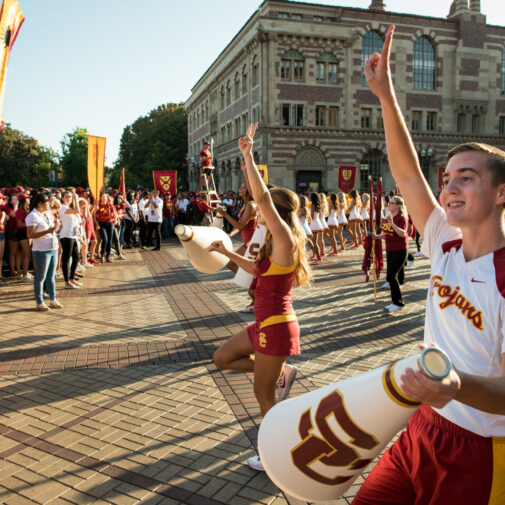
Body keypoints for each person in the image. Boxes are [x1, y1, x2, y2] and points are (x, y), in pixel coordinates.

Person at [352, 25, 505, 505]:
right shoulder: (443, 242)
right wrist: (385, 94)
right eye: (447, 178)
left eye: (467, 177)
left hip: (479, 450)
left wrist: (457, 386)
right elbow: (404, 172)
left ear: (502, 194)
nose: (449, 188)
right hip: (421, 425)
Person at [210, 123, 311, 472]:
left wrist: (249, 155)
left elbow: (262, 198)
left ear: (277, 213)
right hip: (263, 324)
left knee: (263, 396)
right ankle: (280, 374)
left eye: (264, 207)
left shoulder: (284, 237)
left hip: (278, 327)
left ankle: (276, 455)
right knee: (222, 358)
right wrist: (226, 252)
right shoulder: (275, 242)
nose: (256, 208)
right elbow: (255, 270)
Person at [26, 192, 62, 311]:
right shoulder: (32, 216)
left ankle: (53, 299)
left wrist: (54, 198)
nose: (49, 204)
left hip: (52, 247)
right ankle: (39, 301)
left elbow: (58, 207)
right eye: (47, 201)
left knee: (51, 276)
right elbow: (30, 234)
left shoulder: (46, 213)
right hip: (41, 250)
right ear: (40, 204)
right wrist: (49, 231)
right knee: (40, 277)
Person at [373, 196, 408, 313]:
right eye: (389, 203)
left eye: (392, 203)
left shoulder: (401, 218)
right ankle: (395, 301)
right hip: (390, 250)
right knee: (391, 277)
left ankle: (398, 302)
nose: (389, 205)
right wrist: (377, 236)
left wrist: (392, 224)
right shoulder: (390, 218)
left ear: (398, 205)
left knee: (392, 276)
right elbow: (388, 234)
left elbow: (402, 233)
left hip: (400, 250)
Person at [92, 193, 116, 262]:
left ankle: (108, 256)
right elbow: (95, 217)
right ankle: (102, 255)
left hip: (109, 223)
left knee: (109, 240)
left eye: (104, 197)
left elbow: (114, 214)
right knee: (105, 240)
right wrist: (96, 224)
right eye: (102, 197)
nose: (103, 198)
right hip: (101, 224)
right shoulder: (98, 206)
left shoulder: (110, 205)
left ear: (107, 198)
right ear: (100, 198)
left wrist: (114, 221)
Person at [15, 194, 32, 282]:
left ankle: (25, 271)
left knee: (25, 254)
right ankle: (24, 275)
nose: (29, 200)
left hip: (26, 232)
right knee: (26, 254)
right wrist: (30, 224)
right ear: (24, 200)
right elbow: (19, 224)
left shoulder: (26, 210)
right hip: (22, 233)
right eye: (27, 199)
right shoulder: (19, 211)